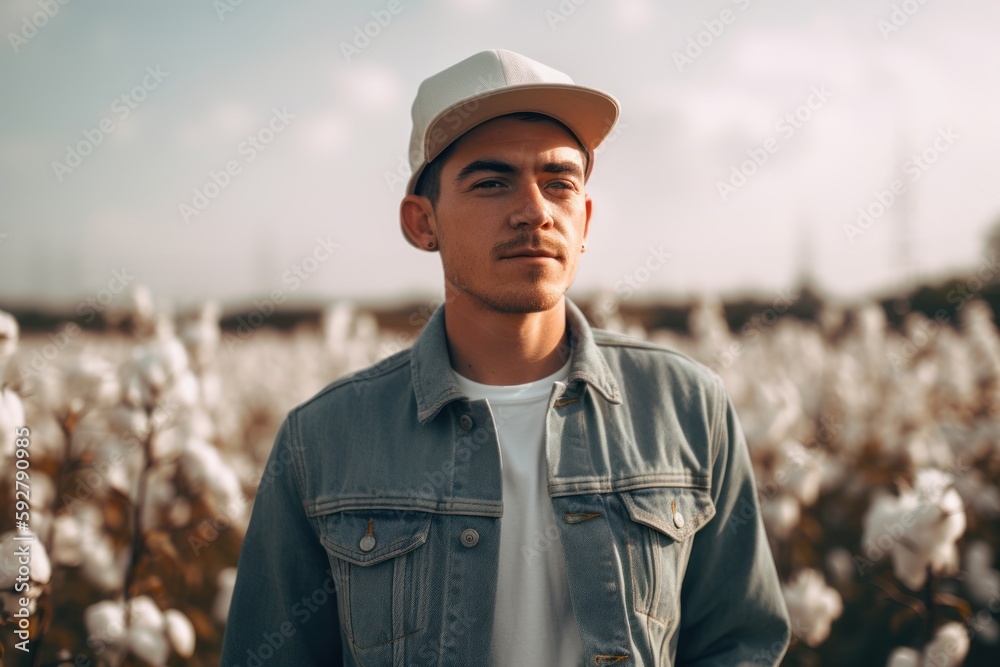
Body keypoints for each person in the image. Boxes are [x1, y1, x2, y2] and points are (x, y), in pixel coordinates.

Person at [220, 48, 791, 666]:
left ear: (585, 220)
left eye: (560, 184)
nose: (535, 211)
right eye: (491, 182)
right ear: (422, 223)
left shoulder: (687, 405)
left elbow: (741, 643)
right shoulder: (323, 440)